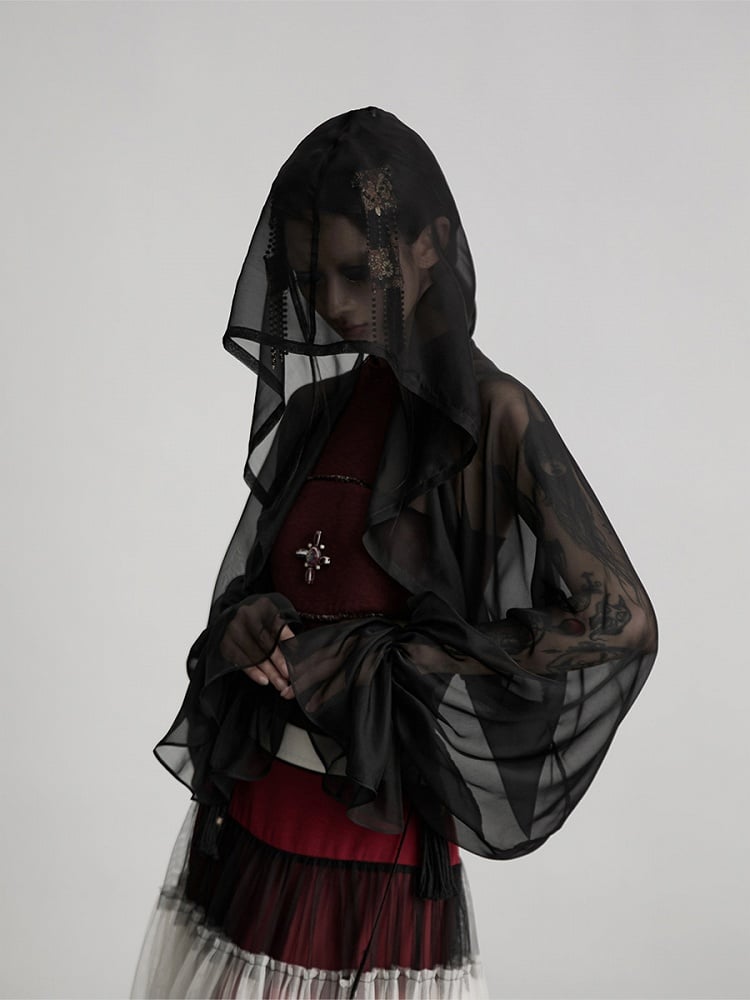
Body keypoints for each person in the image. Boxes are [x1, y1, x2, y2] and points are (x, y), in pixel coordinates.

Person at [131, 107, 658, 1000]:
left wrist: (392, 662)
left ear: (430, 245)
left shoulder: (492, 419)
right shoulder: (316, 412)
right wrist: (247, 623)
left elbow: (622, 623)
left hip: (373, 848)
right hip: (250, 825)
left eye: (357, 272)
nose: (334, 305)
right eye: (312, 278)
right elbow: (271, 585)